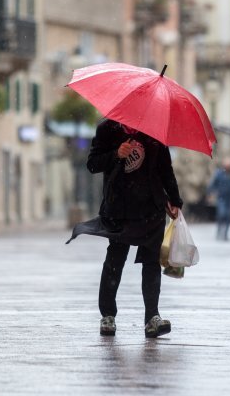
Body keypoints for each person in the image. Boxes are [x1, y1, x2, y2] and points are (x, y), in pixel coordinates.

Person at [66, 118, 183, 339]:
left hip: (151, 209)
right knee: (115, 261)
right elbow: (93, 164)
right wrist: (116, 155)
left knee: (151, 262)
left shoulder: (154, 130)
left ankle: (152, 318)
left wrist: (175, 200)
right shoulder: (107, 128)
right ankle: (108, 315)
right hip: (119, 208)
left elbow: (165, 169)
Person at [207, 157, 230, 241]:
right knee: (221, 214)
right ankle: (219, 231)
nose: (228, 167)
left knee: (229, 216)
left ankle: (225, 234)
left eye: (229, 165)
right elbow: (213, 184)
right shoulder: (219, 173)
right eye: (227, 165)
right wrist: (210, 192)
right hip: (221, 197)